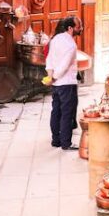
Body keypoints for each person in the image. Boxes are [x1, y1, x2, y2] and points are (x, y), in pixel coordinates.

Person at [45, 17, 80, 150]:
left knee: (56, 111)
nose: (80, 28)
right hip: (67, 83)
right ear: (70, 28)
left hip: (56, 84)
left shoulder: (55, 39)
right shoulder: (71, 45)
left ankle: (56, 140)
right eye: (78, 26)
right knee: (67, 113)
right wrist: (54, 77)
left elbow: (49, 59)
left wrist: (50, 76)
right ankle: (66, 143)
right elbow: (64, 65)